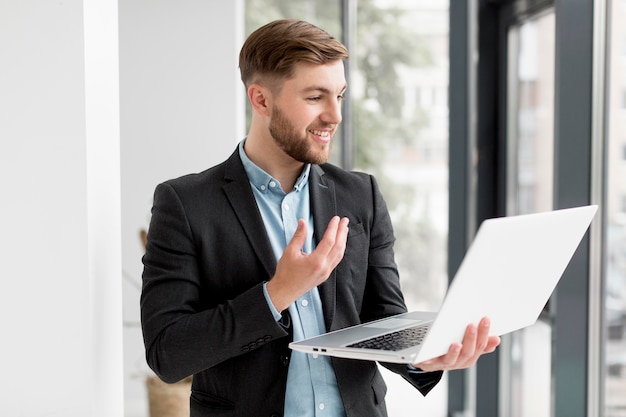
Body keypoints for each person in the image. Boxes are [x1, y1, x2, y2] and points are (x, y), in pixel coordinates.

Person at [140, 18, 500, 417]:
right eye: (315, 97)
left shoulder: (362, 195)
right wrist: (277, 293)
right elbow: (167, 353)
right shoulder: (186, 204)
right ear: (261, 100)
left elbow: (383, 318)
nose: (335, 116)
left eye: (340, 96)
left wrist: (424, 356)